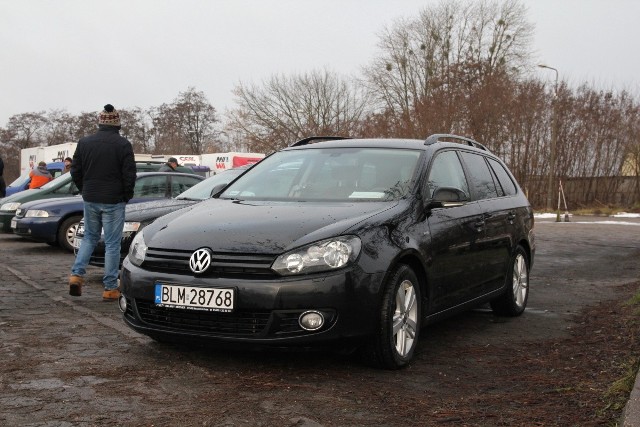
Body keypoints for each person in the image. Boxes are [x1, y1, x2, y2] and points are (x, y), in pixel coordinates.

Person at [68, 104, 136, 301]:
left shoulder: (85, 143)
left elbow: (75, 171)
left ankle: (76, 275)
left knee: (89, 237)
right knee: (112, 244)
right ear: (118, 124)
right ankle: (109, 288)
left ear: (99, 123)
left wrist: (85, 189)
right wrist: (126, 195)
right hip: (114, 199)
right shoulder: (123, 145)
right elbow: (129, 174)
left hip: (91, 197)